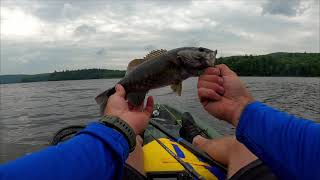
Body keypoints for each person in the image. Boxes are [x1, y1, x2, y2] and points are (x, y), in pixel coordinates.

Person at [0, 64, 318, 179]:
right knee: (243, 144)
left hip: (111, 138)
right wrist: (242, 109)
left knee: (132, 143)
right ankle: (196, 139)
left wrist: (115, 129)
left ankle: (188, 137)